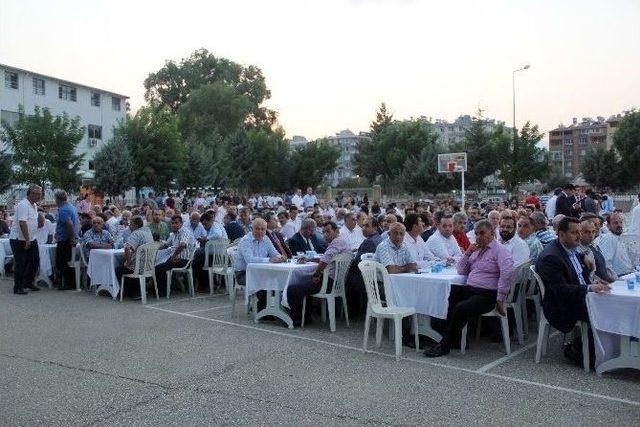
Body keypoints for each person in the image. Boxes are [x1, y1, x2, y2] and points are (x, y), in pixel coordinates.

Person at [424, 219, 514, 357]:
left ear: (491, 232)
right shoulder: (477, 250)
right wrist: (467, 253)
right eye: (476, 233)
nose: (478, 236)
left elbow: (507, 273)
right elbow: (461, 271)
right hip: (471, 289)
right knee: (447, 296)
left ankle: (444, 345)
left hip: (487, 293)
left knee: (461, 308)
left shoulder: (500, 251)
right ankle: (454, 338)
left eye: (482, 233)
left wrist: (501, 299)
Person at [535, 217, 610, 367]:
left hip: (578, 296)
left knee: (610, 302)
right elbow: (560, 290)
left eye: (579, 232)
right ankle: (585, 354)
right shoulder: (550, 257)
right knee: (603, 309)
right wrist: (590, 288)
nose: (579, 236)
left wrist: (585, 260)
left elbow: (573, 268)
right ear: (561, 234)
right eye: (574, 232)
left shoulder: (570, 248)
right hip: (561, 305)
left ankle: (606, 350)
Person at [287, 221, 351, 326]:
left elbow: (325, 261)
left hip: (328, 283)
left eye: (328, 231)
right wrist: (309, 260)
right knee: (305, 284)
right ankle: (306, 318)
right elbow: (326, 259)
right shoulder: (342, 241)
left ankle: (296, 320)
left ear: (336, 231)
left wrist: (317, 274)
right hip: (336, 283)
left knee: (292, 289)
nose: (325, 234)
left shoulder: (336, 243)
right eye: (324, 232)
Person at [233, 218, 287, 310]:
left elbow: (274, 253)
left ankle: (275, 308)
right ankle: (263, 309)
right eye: (257, 228)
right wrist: (270, 260)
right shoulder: (246, 240)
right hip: (243, 273)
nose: (260, 231)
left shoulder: (266, 239)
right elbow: (249, 260)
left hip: (262, 271)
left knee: (280, 279)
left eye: (263, 229)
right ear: (252, 229)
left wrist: (280, 258)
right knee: (265, 280)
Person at [9, 185, 42, 294]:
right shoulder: (23, 205)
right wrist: (27, 240)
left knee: (35, 261)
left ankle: (28, 282)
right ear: (30, 194)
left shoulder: (34, 206)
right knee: (21, 263)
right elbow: (22, 223)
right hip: (19, 239)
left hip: (32, 238)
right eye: (37, 194)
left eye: (40, 193)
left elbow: (31, 221)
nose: (39, 196)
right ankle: (17, 287)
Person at [154, 215, 196, 297]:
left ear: (181, 223)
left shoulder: (185, 232)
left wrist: (173, 256)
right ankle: (168, 288)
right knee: (156, 263)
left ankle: (163, 291)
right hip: (175, 258)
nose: (174, 225)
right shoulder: (173, 234)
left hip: (184, 260)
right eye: (172, 223)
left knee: (159, 268)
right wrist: (155, 249)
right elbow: (166, 245)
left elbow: (183, 245)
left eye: (176, 223)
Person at [115, 216, 154, 298]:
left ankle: (128, 292)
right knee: (127, 264)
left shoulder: (136, 233)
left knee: (119, 269)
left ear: (135, 225)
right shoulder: (148, 232)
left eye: (130, 224)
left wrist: (128, 262)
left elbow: (127, 248)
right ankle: (138, 290)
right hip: (149, 266)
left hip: (138, 268)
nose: (129, 226)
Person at [577, 218, 615, 283]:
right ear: (579, 233)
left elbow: (592, 275)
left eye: (593, 232)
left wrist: (607, 284)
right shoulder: (576, 251)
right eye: (587, 232)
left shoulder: (591, 249)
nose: (591, 235)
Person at [598, 212, 634, 276]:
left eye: (620, 222)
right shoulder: (608, 238)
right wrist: (616, 281)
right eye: (615, 223)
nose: (619, 225)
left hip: (629, 274)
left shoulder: (617, 237)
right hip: (620, 278)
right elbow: (606, 264)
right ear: (608, 226)